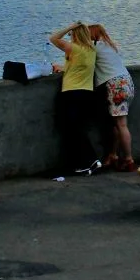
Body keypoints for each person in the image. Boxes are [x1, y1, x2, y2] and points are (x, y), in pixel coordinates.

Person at [49, 22, 103, 177]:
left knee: (72, 131)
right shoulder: (91, 50)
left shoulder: (73, 48)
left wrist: (69, 26)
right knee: (78, 129)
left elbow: (53, 38)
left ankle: (88, 161)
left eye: (72, 33)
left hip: (71, 93)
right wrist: (64, 68)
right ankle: (87, 162)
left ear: (75, 34)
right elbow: (79, 67)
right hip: (86, 93)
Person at [88, 23, 136, 172]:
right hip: (126, 82)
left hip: (115, 85)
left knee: (121, 124)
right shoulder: (110, 46)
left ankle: (128, 159)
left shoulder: (93, 48)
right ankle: (113, 155)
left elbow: (83, 64)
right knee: (116, 123)